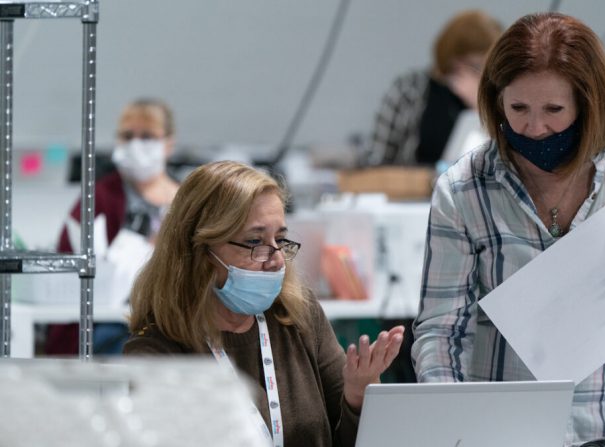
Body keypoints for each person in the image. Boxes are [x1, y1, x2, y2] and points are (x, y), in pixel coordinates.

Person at [411, 12, 605, 445]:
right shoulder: (465, 189)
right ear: (496, 99)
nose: (535, 128)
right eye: (517, 108)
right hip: (512, 432)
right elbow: (441, 330)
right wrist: (453, 418)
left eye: (554, 110)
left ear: (588, 102)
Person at [123, 160, 404, 446]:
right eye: (256, 242)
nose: (277, 259)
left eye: (280, 239)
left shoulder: (298, 315)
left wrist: (358, 398)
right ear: (200, 250)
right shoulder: (156, 353)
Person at [45, 98, 181, 355]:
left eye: (148, 136)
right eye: (128, 136)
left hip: (175, 319)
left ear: (169, 143)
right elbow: (66, 264)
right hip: (111, 323)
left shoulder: (187, 201)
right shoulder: (98, 197)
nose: (136, 144)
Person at [360, 9, 502, 167]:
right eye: (476, 66)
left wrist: (480, 106)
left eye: (490, 66)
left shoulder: (497, 95)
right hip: (413, 188)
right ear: (455, 61)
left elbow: (505, 160)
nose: (483, 74)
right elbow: (373, 161)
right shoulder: (410, 90)